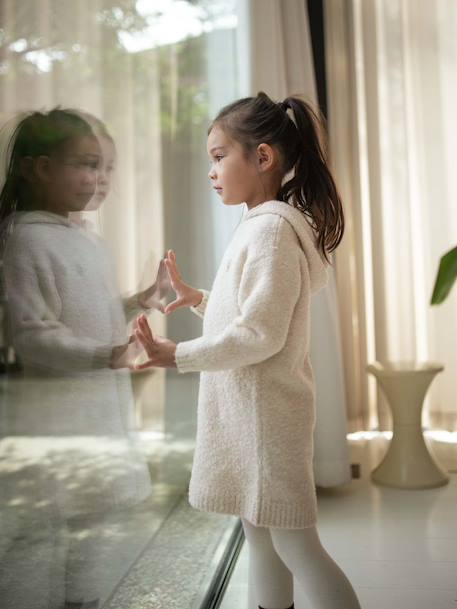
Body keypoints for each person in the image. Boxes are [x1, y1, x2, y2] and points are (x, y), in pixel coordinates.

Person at [134, 91, 361, 609]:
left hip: (266, 421)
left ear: (263, 157)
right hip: (253, 415)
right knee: (261, 536)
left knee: (296, 543)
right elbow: (255, 313)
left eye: (219, 157)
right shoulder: (262, 226)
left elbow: (261, 334)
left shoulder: (272, 233)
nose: (211, 172)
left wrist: (179, 355)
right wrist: (200, 300)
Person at [0, 108, 166, 609]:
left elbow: (87, 318)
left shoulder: (85, 238)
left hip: (99, 416)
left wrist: (138, 301)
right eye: (87, 165)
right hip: (56, 426)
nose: (99, 179)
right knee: (41, 545)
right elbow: (32, 335)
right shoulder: (22, 239)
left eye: (106, 168)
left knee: (94, 545)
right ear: (41, 168)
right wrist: (104, 354)